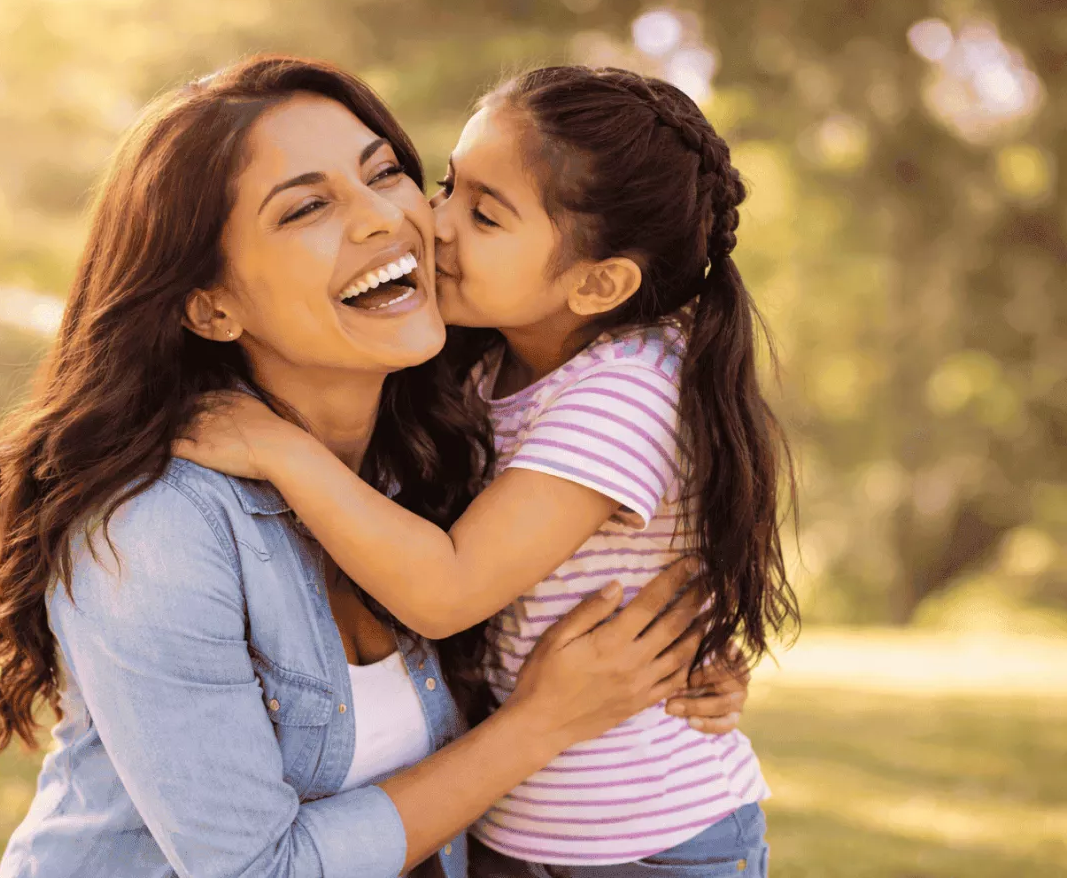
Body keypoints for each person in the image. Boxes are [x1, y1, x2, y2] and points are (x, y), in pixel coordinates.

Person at [0, 57, 747, 878]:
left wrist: (667, 671)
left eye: (386, 173)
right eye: (306, 207)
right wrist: (546, 720)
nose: (396, 221)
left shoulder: (427, 462)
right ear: (210, 304)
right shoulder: (155, 528)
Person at [175, 66, 795, 877]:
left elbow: (449, 589)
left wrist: (276, 448)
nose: (432, 224)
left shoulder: (627, 388)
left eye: (485, 214)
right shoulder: (489, 362)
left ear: (599, 282)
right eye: (446, 185)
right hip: (511, 824)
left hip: (651, 841)